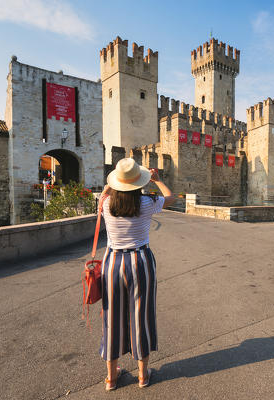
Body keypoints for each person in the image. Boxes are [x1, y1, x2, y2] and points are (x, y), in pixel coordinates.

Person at [98, 158, 175, 391]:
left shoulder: (105, 203)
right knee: (141, 315)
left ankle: (111, 378)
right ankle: (143, 375)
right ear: (137, 183)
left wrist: (113, 181)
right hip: (140, 261)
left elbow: (104, 191)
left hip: (112, 263)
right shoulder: (147, 203)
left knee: (111, 318)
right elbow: (171, 198)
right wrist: (158, 181)